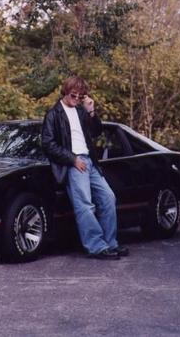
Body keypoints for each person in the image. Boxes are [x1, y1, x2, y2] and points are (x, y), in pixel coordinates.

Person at [41, 76, 128, 260]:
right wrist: (72, 159)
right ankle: (97, 246)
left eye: (81, 96)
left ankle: (110, 243)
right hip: (74, 163)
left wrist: (91, 112)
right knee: (85, 206)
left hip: (90, 161)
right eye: (74, 94)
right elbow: (48, 144)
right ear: (65, 91)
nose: (77, 98)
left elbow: (96, 132)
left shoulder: (81, 111)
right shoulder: (53, 114)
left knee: (108, 197)